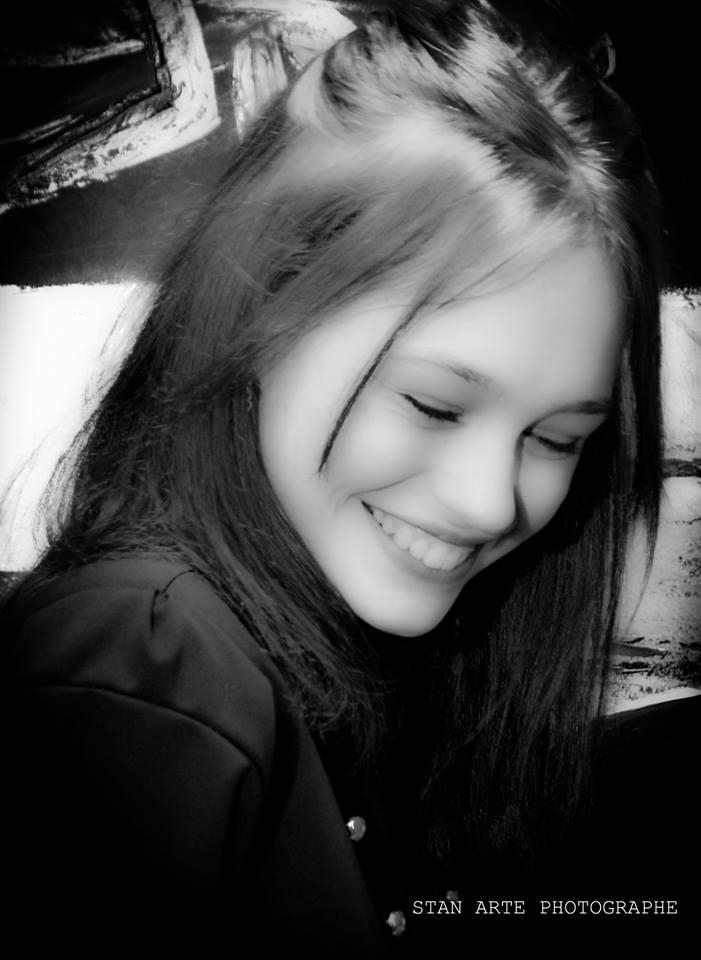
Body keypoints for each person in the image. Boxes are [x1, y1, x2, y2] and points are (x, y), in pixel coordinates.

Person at [1, 0, 693, 952]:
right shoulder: (144, 673)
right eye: (432, 405)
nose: (489, 501)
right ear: (261, 311)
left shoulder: (376, 659)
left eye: (558, 438)